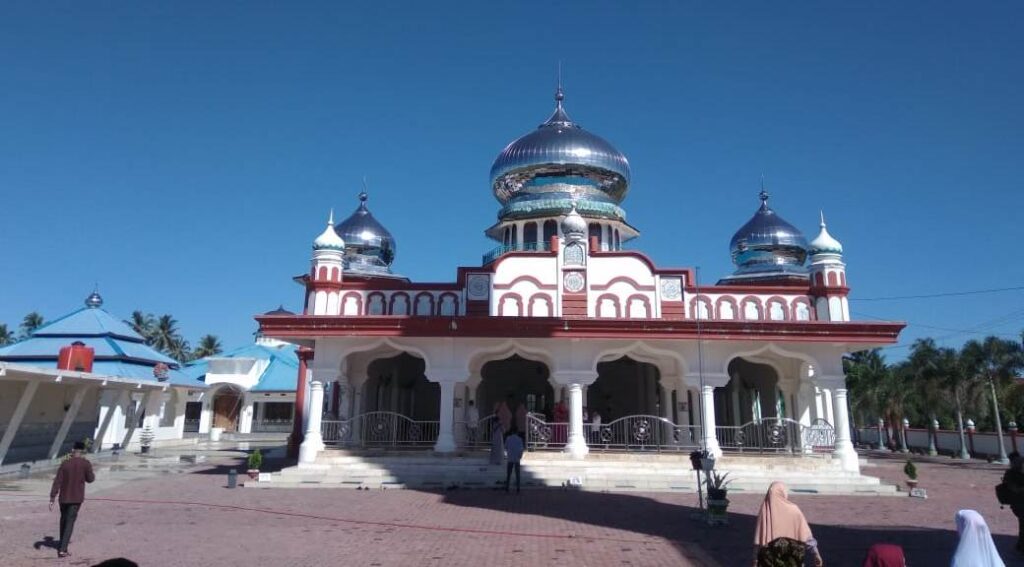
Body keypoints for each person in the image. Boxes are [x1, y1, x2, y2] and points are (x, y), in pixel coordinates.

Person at [752, 481, 822, 567]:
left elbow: (758, 540)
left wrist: (755, 559)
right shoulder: (794, 510)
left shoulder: (765, 512)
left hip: (769, 560)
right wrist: (816, 553)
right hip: (792, 558)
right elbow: (807, 536)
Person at [50, 441, 95, 558]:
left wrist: (52, 497)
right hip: (76, 498)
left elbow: (57, 481)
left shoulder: (65, 463)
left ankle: (62, 545)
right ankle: (62, 549)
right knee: (70, 522)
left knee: (63, 520)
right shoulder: (85, 463)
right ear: (83, 451)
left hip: (63, 498)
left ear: (72, 450)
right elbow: (90, 479)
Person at [1000, 452, 1024, 554]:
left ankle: (1020, 545)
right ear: (1013, 462)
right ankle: (1021, 546)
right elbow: (1014, 489)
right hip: (1018, 504)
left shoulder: (1020, 472)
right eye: (1018, 461)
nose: (1020, 462)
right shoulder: (1010, 474)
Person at [504, 428, 524, 493]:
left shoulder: (508, 438)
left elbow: (505, 447)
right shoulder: (519, 439)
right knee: (517, 474)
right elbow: (521, 449)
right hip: (517, 458)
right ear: (517, 432)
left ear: (512, 432)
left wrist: (508, 453)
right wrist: (520, 456)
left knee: (508, 474)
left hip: (510, 458)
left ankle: (507, 487)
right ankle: (518, 487)